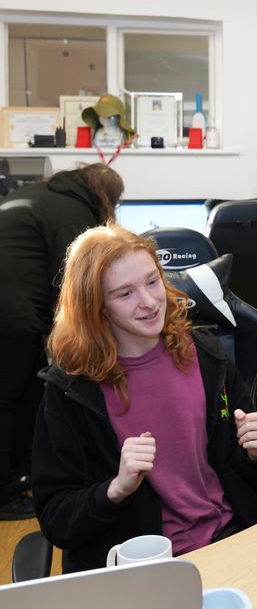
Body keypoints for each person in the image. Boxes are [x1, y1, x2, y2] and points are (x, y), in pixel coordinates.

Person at [31, 225, 257, 572]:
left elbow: (244, 474)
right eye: (125, 293)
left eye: (152, 281)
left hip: (227, 541)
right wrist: (116, 489)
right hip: (142, 565)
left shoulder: (207, 357)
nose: (148, 301)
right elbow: (57, 519)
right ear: (96, 307)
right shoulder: (71, 392)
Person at [0, 163, 124, 520]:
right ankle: (5, 492)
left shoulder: (38, 195)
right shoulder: (73, 214)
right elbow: (76, 286)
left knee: (20, 393)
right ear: (105, 196)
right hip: (12, 313)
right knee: (11, 397)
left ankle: (19, 473)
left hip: (13, 309)